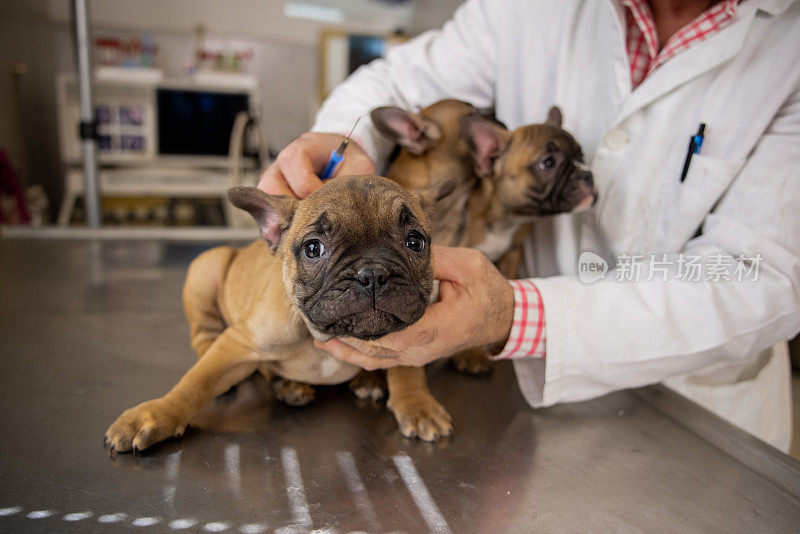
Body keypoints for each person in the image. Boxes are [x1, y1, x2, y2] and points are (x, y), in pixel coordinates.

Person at [259, 0, 800, 451]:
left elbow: (766, 272)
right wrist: (340, 140)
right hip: (524, 400)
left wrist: (517, 315)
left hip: (702, 407)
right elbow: (399, 80)